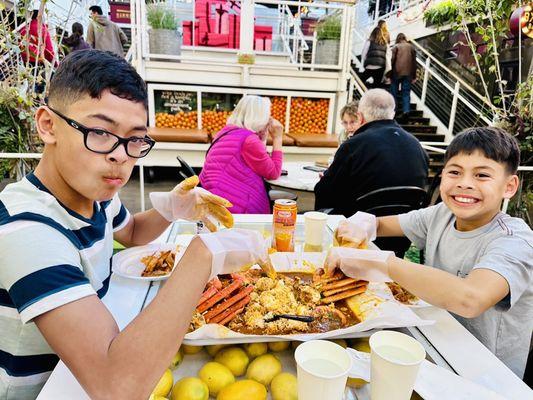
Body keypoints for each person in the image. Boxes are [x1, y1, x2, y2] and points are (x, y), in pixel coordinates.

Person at [0, 50, 268, 399]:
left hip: (84, 369)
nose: (120, 155)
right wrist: (206, 255)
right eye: (100, 132)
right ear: (48, 125)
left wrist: (173, 208)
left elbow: (132, 234)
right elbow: (117, 386)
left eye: (134, 139)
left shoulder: (96, 197)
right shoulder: (26, 228)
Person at [331, 127, 532, 378]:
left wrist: (383, 263)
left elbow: (471, 299)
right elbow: (383, 224)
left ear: (509, 186)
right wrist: (365, 224)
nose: (464, 183)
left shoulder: (514, 241)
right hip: (435, 342)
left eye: (482, 175)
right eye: (455, 172)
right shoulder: (442, 214)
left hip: (486, 372)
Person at [315, 88, 428, 216]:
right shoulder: (416, 145)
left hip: (360, 227)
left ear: (360, 117)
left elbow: (325, 193)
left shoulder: (353, 146)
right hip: (406, 227)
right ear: (393, 113)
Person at [200, 95, 284, 214]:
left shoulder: (226, 131)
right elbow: (273, 172)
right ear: (260, 117)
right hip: (236, 205)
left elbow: (256, 162)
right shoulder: (249, 140)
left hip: (214, 195)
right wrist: (278, 138)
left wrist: (262, 137)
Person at [390, 33, 417, 117]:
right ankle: (406, 110)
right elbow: (414, 63)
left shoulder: (395, 47)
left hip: (396, 73)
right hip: (408, 74)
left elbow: (391, 60)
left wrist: (388, 74)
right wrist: (414, 76)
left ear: (398, 39)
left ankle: (394, 110)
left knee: (394, 92)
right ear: (405, 38)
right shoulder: (411, 47)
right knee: (406, 92)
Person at [360, 21, 391, 89]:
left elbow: (363, 54)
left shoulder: (369, 42)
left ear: (372, 34)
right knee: (377, 86)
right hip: (380, 67)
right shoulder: (386, 44)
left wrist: (367, 60)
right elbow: (388, 55)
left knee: (360, 81)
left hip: (369, 66)